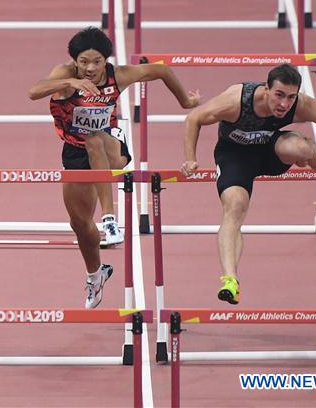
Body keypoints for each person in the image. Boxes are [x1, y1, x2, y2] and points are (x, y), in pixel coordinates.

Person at [181, 63, 316, 305]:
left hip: (272, 151)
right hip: (235, 156)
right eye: (278, 95)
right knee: (234, 209)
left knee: (304, 147)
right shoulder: (236, 101)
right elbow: (193, 118)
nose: (284, 104)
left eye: (290, 97)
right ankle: (230, 280)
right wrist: (190, 159)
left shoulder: (301, 105)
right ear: (266, 89)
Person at [28, 26, 200, 308]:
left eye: (97, 61)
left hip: (112, 147)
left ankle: (110, 219)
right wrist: (70, 83)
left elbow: (161, 70)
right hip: (74, 151)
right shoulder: (65, 72)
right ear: (74, 60)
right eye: (83, 62)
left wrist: (186, 102)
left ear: (106, 60)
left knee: (95, 139)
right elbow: (33, 91)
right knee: (80, 224)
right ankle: (96, 275)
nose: (90, 68)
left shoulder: (117, 75)